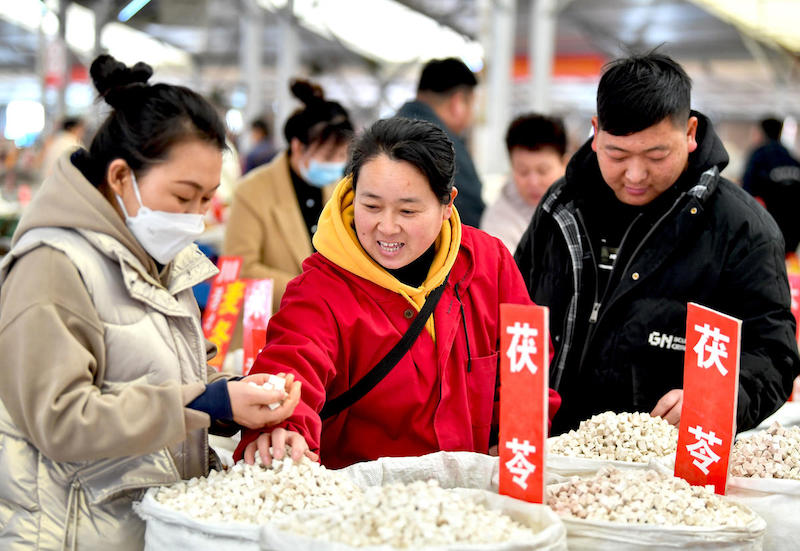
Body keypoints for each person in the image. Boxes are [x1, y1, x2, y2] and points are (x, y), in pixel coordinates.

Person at [0, 55, 303, 550]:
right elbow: (59, 419)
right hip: (73, 532)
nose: (196, 218)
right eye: (184, 197)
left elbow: (164, 376)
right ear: (121, 177)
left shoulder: (159, 259)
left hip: (144, 524)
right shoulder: (52, 266)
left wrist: (231, 399)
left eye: (206, 200)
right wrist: (204, 403)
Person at [233, 117, 560, 468]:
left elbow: (524, 362)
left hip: (473, 496)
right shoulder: (322, 288)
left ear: (447, 203)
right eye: (371, 207)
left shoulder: (487, 263)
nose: (386, 227)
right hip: (369, 505)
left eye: (408, 210)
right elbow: (293, 360)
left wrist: (513, 436)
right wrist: (284, 424)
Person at [515, 51, 800, 436]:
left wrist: (724, 398)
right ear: (596, 132)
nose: (635, 174)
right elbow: (510, 313)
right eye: (617, 154)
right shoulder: (561, 207)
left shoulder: (742, 228)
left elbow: (773, 352)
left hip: (665, 469)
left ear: (689, 133)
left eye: (656, 154)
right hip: (546, 449)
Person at [223, 79, 353, 315]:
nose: (336, 164)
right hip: (271, 321)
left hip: (327, 321)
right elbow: (239, 268)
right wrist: (312, 290)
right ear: (297, 146)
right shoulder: (252, 191)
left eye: (342, 155)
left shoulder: (339, 190)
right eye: (327, 155)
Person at [397, 58, 484, 227]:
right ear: (457, 103)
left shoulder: (379, 135)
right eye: (472, 105)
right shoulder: (446, 147)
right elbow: (471, 217)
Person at [481, 113, 567, 252]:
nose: (533, 182)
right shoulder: (498, 219)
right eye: (523, 171)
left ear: (564, 164)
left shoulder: (582, 205)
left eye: (543, 171)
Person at [742, 117, 800, 255]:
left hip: (768, 227)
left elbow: (745, 193)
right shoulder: (791, 157)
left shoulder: (759, 156)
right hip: (793, 228)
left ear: (761, 133)